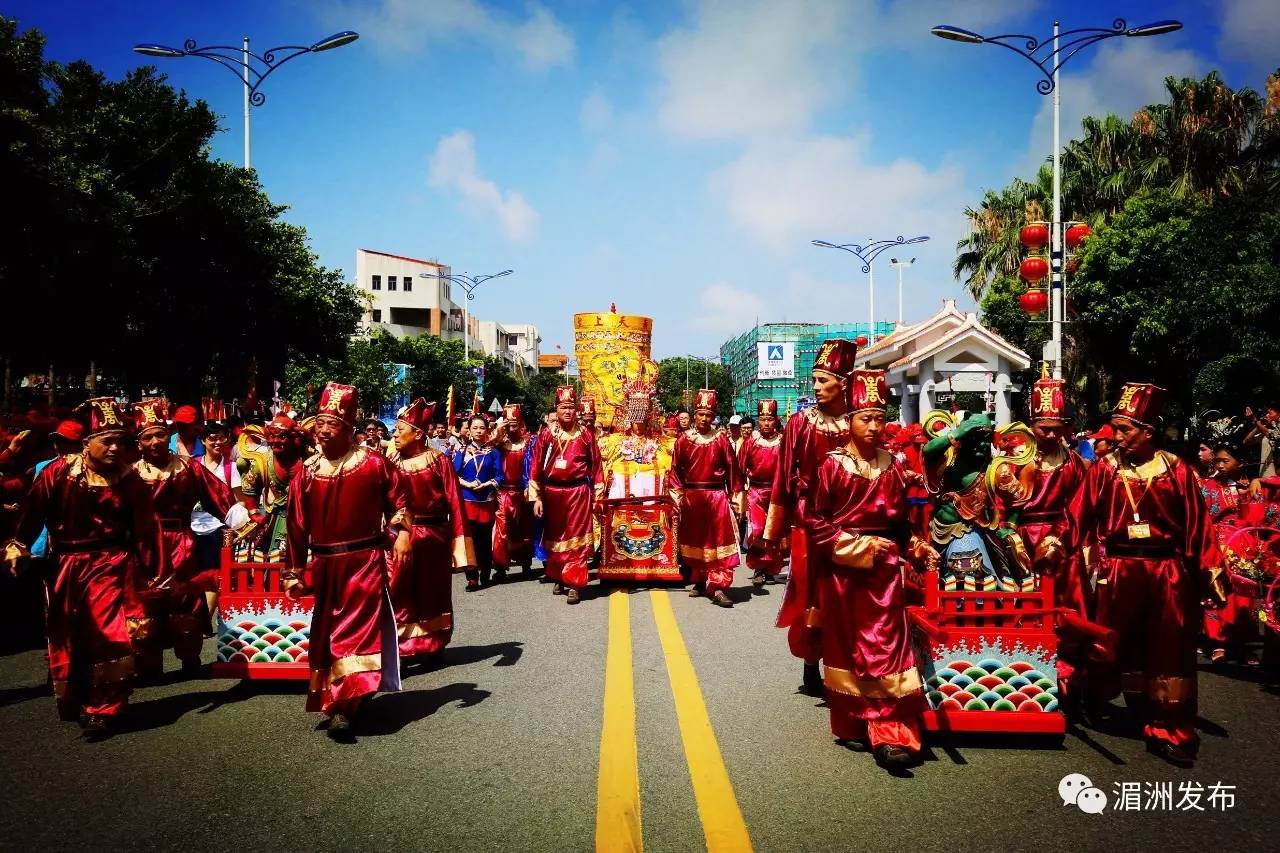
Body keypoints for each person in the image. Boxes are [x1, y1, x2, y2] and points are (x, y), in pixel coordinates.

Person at [1043, 382, 1221, 768]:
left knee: (1169, 647)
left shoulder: (1178, 471)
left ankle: (1169, 727)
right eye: (1116, 429)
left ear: (1148, 431)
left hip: (1168, 573)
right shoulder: (1104, 470)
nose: (1117, 437)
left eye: (1126, 430)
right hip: (1119, 571)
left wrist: (1210, 571)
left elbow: (1199, 528)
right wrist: (1056, 544)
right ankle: (1099, 697)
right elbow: (1077, 515)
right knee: (1112, 642)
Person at [4, 399, 163, 738]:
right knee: (69, 635)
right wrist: (16, 543)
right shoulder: (58, 474)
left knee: (108, 633)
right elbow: (31, 514)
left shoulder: (129, 479)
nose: (115, 447)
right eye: (107, 440)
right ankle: (78, 699)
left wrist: (156, 572)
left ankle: (104, 707)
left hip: (112, 564)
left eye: (120, 440)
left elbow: (147, 529)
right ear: (86, 441)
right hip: (65, 566)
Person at [808, 369, 939, 769]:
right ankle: (858, 722)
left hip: (885, 577)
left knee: (885, 648)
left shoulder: (894, 466)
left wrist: (916, 546)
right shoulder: (831, 466)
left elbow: (901, 525)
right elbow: (816, 523)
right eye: (866, 418)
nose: (874, 426)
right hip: (847, 574)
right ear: (849, 421)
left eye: (880, 418)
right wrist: (862, 545)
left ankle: (891, 730)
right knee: (853, 651)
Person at [285, 382, 411, 739]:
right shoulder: (307, 472)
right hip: (324, 566)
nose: (324, 431)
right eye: (320, 424)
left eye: (332, 425)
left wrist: (402, 534)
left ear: (349, 429)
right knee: (325, 635)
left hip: (364, 561)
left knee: (352, 633)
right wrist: (293, 572)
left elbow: (398, 503)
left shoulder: (374, 464)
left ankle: (345, 706)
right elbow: (295, 525)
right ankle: (337, 697)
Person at [765, 339, 857, 695]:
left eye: (823, 380)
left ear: (844, 383)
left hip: (851, 521)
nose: (816, 388)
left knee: (849, 596)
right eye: (814, 380)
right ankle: (811, 666)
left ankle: (849, 665)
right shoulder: (800, 423)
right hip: (810, 519)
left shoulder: (859, 423)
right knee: (814, 595)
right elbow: (783, 477)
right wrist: (775, 532)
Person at [130, 398, 235, 678]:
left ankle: (190, 657)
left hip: (180, 542)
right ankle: (148, 665)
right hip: (143, 546)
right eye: (147, 437)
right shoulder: (129, 474)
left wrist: (243, 520)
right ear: (139, 443)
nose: (155, 442)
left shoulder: (189, 468)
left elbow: (220, 498)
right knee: (143, 601)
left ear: (169, 436)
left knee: (185, 598)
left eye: (159, 435)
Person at [1017, 369, 1092, 708]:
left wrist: (1060, 539)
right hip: (1021, 541)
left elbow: (1081, 507)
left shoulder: (1075, 464)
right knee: (1023, 605)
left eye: (1054, 428)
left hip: (1062, 541)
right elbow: (1000, 507)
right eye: (1042, 427)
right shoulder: (1013, 461)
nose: (1048, 434)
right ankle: (1025, 672)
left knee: (1068, 607)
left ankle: (1068, 678)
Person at [390, 399, 474, 660]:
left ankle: (432, 644)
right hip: (399, 537)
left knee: (431, 592)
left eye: (399, 429)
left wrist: (461, 549)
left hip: (433, 535)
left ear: (417, 434)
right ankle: (403, 644)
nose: (394, 434)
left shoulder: (438, 460)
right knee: (401, 591)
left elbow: (455, 503)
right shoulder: (391, 461)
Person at [528, 385, 601, 605]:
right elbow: (536, 466)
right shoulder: (547, 434)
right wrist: (537, 497)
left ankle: (574, 584)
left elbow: (596, 466)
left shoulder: (586, 435)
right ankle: (559, 574)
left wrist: (597, 495)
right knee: (556, 537)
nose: (567, 411)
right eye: (563, 408)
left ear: (576, 409)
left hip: (578, 491)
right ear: (556, 410)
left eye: (570, 407)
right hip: (552, 492)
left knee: (576, 538)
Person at [669, 389, 741, 607]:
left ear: (713, 416)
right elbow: (675, 472)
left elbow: (733, 472)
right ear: (694, 415)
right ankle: (700, 580)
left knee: (718, 543)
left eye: (708, 415)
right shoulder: (683, 440)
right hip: (692, 497)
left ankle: (718, 586)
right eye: (700, 414)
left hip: (716, 496)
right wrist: (678, 498)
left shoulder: (721, 440)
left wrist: (736, 501)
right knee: (697, 541)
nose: (704, 418)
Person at [1199, 418, 1258, 664]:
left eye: (1227, 461)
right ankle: (1217, 642)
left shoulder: (1251, 486)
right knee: (1215, 591)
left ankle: (1241, 643)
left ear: (1240, 463)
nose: (1221, 465)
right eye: (1218, 461)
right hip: (1215, 544)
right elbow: (1202, 516)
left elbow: (1257, 519)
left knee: (1243, 595)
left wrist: (1247, 497)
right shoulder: (1208, 486)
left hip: (1243, 546)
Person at [236, 414, 305, 562]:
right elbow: (250, 489)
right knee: (274, 560)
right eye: (271, 437)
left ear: (294, 438)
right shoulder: (262, 462)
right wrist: (254, 513)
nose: (275, 442)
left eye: (282, 437)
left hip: (305, 519)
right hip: (276, 517)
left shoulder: (308, 460)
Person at [737, 399, 784, 588]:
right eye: (763, 419)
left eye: (770, 419)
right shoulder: (751, 442)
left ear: (776, 420)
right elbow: (740, 467)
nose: (766, 423)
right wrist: (739, 493)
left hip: (777, 492)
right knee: (757, 531)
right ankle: (758, 567)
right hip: (756, 491)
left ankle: (770, 568)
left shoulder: (783, 441)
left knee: (773, 532)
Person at [454, 415, 504, 589]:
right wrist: (468, 484)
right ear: (468, 430)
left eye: (482, 428)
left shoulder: (493, 452)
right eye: (474, 428)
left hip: (486, 501)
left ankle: (485, 573)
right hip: (467, 501)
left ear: (487, 430)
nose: (478, 431)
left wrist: (487, 484)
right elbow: (453, 474)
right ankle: (472, 577)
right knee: (470, 540)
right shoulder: (461, 451)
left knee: (484, 540)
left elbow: (500, 475)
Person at [493, 405, 535, 577]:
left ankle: (526, 564)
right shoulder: (500, 443)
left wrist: (530, 488)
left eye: (514, 424)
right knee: (502, 532)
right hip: (503, 494)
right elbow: (487, 444)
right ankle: (501, 566)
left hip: (522, 492)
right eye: (508, 425)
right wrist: (499, 430)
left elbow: (533, 467)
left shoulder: (529, 443)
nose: (511, 428)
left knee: (525, 529)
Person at [1244, 402, 1280, 478]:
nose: (1267, 415)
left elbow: (1272, 435)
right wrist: (1259, 425)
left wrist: (1254, 419)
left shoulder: (1274, 432)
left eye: (1269, 413)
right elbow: (1246, 441)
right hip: (1267, 474)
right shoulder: (1266, 431)